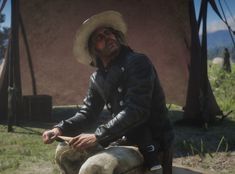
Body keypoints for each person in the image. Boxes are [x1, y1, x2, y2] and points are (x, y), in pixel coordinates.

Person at [42, 10, 174, 173]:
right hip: (121, 138)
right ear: (93, 48)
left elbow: (137, 110)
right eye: (100, 37)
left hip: (152, 142)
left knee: (95, 167)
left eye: (108, 33)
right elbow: (87, 113)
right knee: (65, 151)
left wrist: (98, 136)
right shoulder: (97, 78)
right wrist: (59, 129)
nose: (108, 37)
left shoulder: (138, 62)